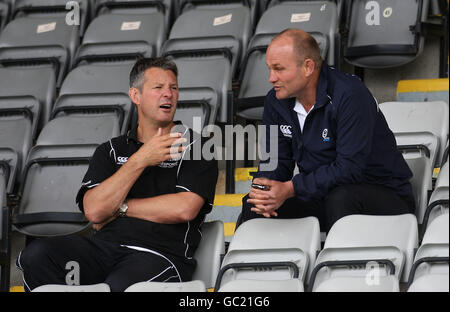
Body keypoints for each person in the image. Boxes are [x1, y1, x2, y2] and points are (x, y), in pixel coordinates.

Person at [16, 57, 218, 292]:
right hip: (103, 250)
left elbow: (184, 208)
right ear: (136, 96)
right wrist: (141, 159)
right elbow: (94, 210)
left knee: (117, 286)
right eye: (158, 87)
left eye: (173, 87)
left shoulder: (198, 146)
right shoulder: (110, 150)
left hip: (159, 255)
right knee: (39, 254)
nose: (168, 94)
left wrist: (121, 208)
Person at [240, 29, 414, 232]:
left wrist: (291, 188)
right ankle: (253, 264)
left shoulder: (349, 95)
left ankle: (340, 264)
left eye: (279, 69)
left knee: (341, 197)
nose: (271, 78)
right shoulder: (274, 101)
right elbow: (274, 162)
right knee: (254, 206)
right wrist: (263, 190)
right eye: (269, 69)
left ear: (307, 67)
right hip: (322, 195)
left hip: (384, 195)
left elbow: (349, 169)